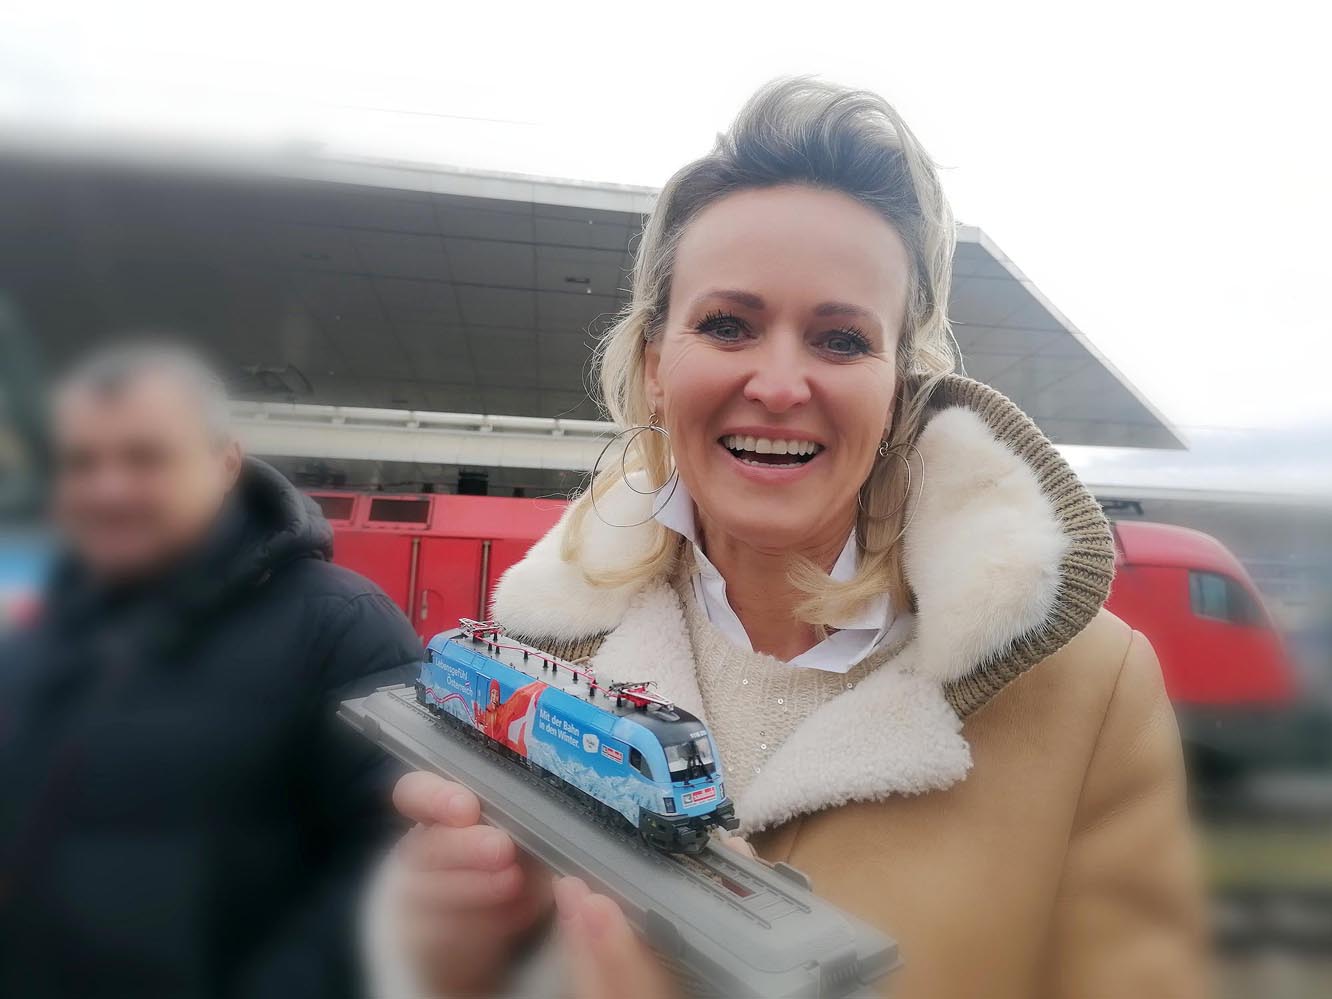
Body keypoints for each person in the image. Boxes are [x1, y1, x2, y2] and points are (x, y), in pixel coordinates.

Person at [373, 79, 1208, 998]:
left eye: (841, 340)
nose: (777, 385)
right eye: (727, 325)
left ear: (899, 383)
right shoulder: (539, 646)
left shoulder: (1091, 693)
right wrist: (450, 963)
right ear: (657, 366)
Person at [0, 344, 423, 998]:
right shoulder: (50, 618)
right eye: (83, 464)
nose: (109, 489)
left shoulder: (344, 625)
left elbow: (397, 862)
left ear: (225, 462)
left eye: (145, 458)